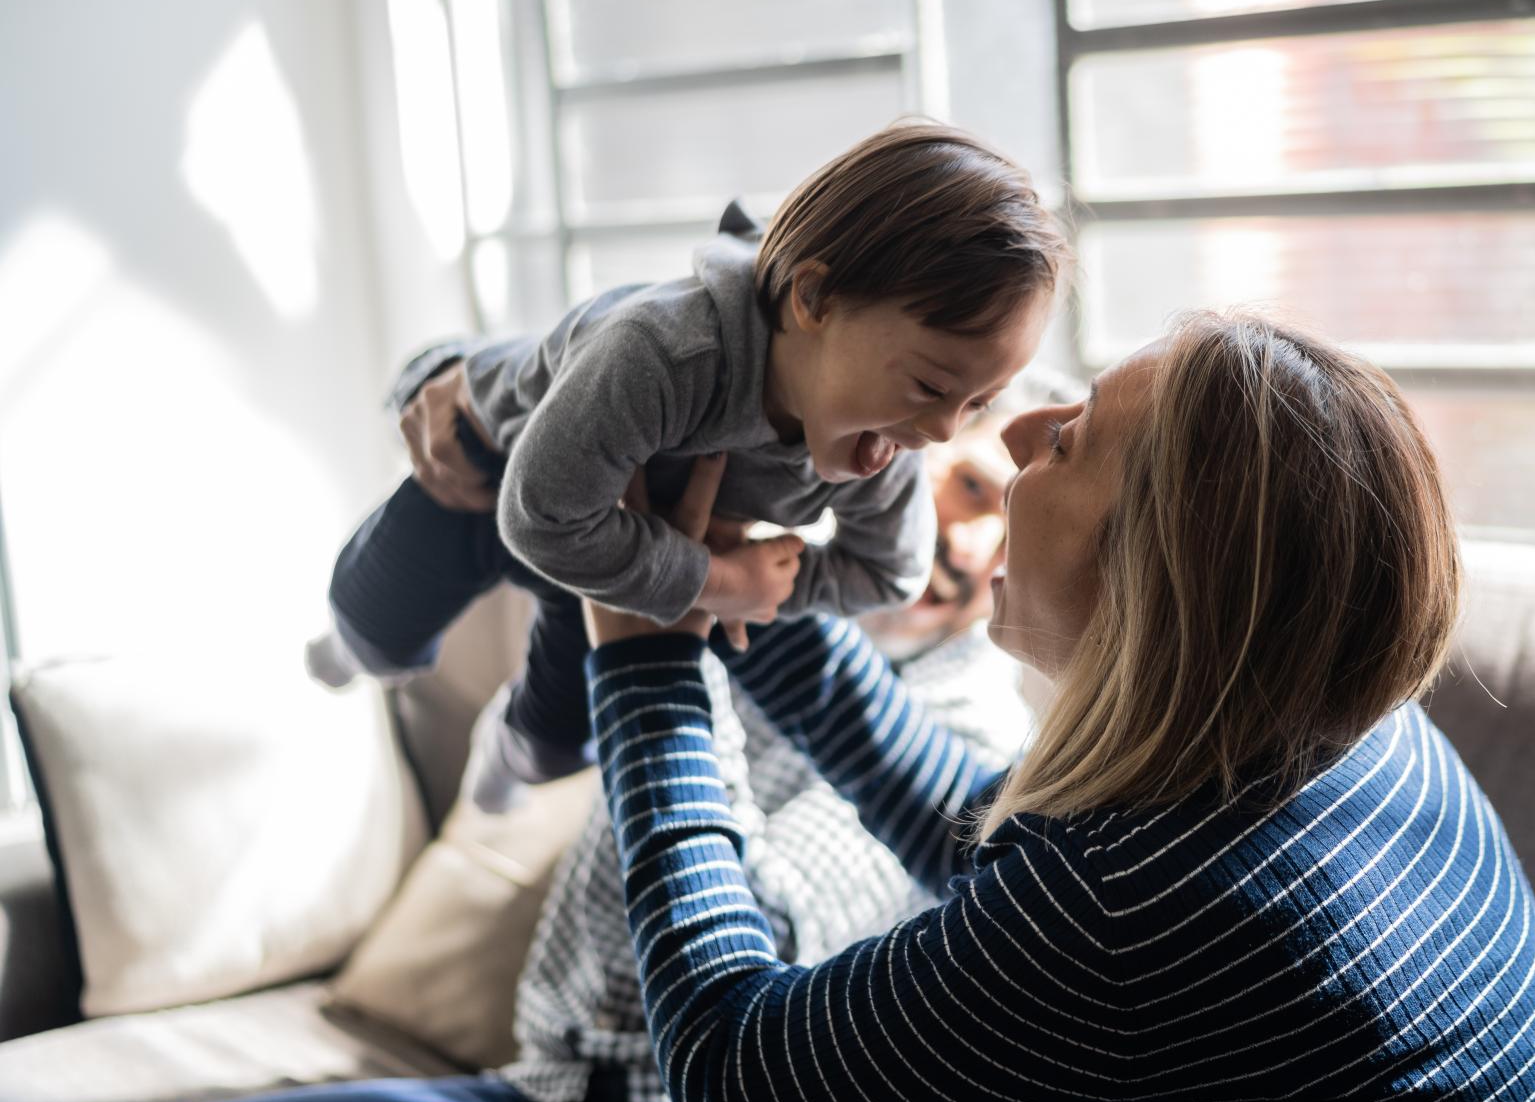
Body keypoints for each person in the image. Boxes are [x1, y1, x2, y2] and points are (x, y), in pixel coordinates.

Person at [578, 313, 1535, 1102]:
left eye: (1068, 443)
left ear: (1146, 582)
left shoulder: (1140, 895)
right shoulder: (1335, 726)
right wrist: (740, 581)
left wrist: (644, 657)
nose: (1020, 428)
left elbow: (736, 1071)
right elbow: (966, 826)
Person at [50, 383, 1047, 1102]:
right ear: (890, 461)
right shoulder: (736, 569)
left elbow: (757, 959)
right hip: (559, 1092)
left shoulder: (972, 740)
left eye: (1001, 531)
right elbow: (560, 423)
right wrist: (473, 417)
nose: (967, 543)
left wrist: (669, 648)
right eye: (965, 485)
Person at [308, 120, 1065, 813]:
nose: (937, 431)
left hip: (618, 556)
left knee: (557, 741)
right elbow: (539, 516)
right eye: (931, 386)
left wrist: (765, 576)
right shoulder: (664, 352)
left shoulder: (886, 442)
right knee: (377, 625)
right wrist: (718, 581)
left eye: (974, 404)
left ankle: (505, 749)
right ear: (814, 299)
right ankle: (345, 649)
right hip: (501, 470)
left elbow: (887, 571)